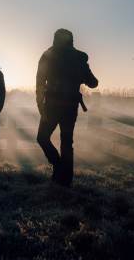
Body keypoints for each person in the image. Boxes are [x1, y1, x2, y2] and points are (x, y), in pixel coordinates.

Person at [36, 29, 98, 186]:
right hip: (71, 107)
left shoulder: (48, 55)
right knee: (66, 142)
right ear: (71, 40)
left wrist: (40, 103)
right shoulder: (78, 58)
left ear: (55, 39)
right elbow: (93, 83)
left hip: (52, 105)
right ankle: (65, 180)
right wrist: (81, 71)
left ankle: (59, 166)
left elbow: (40, 81)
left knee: (42, 138)